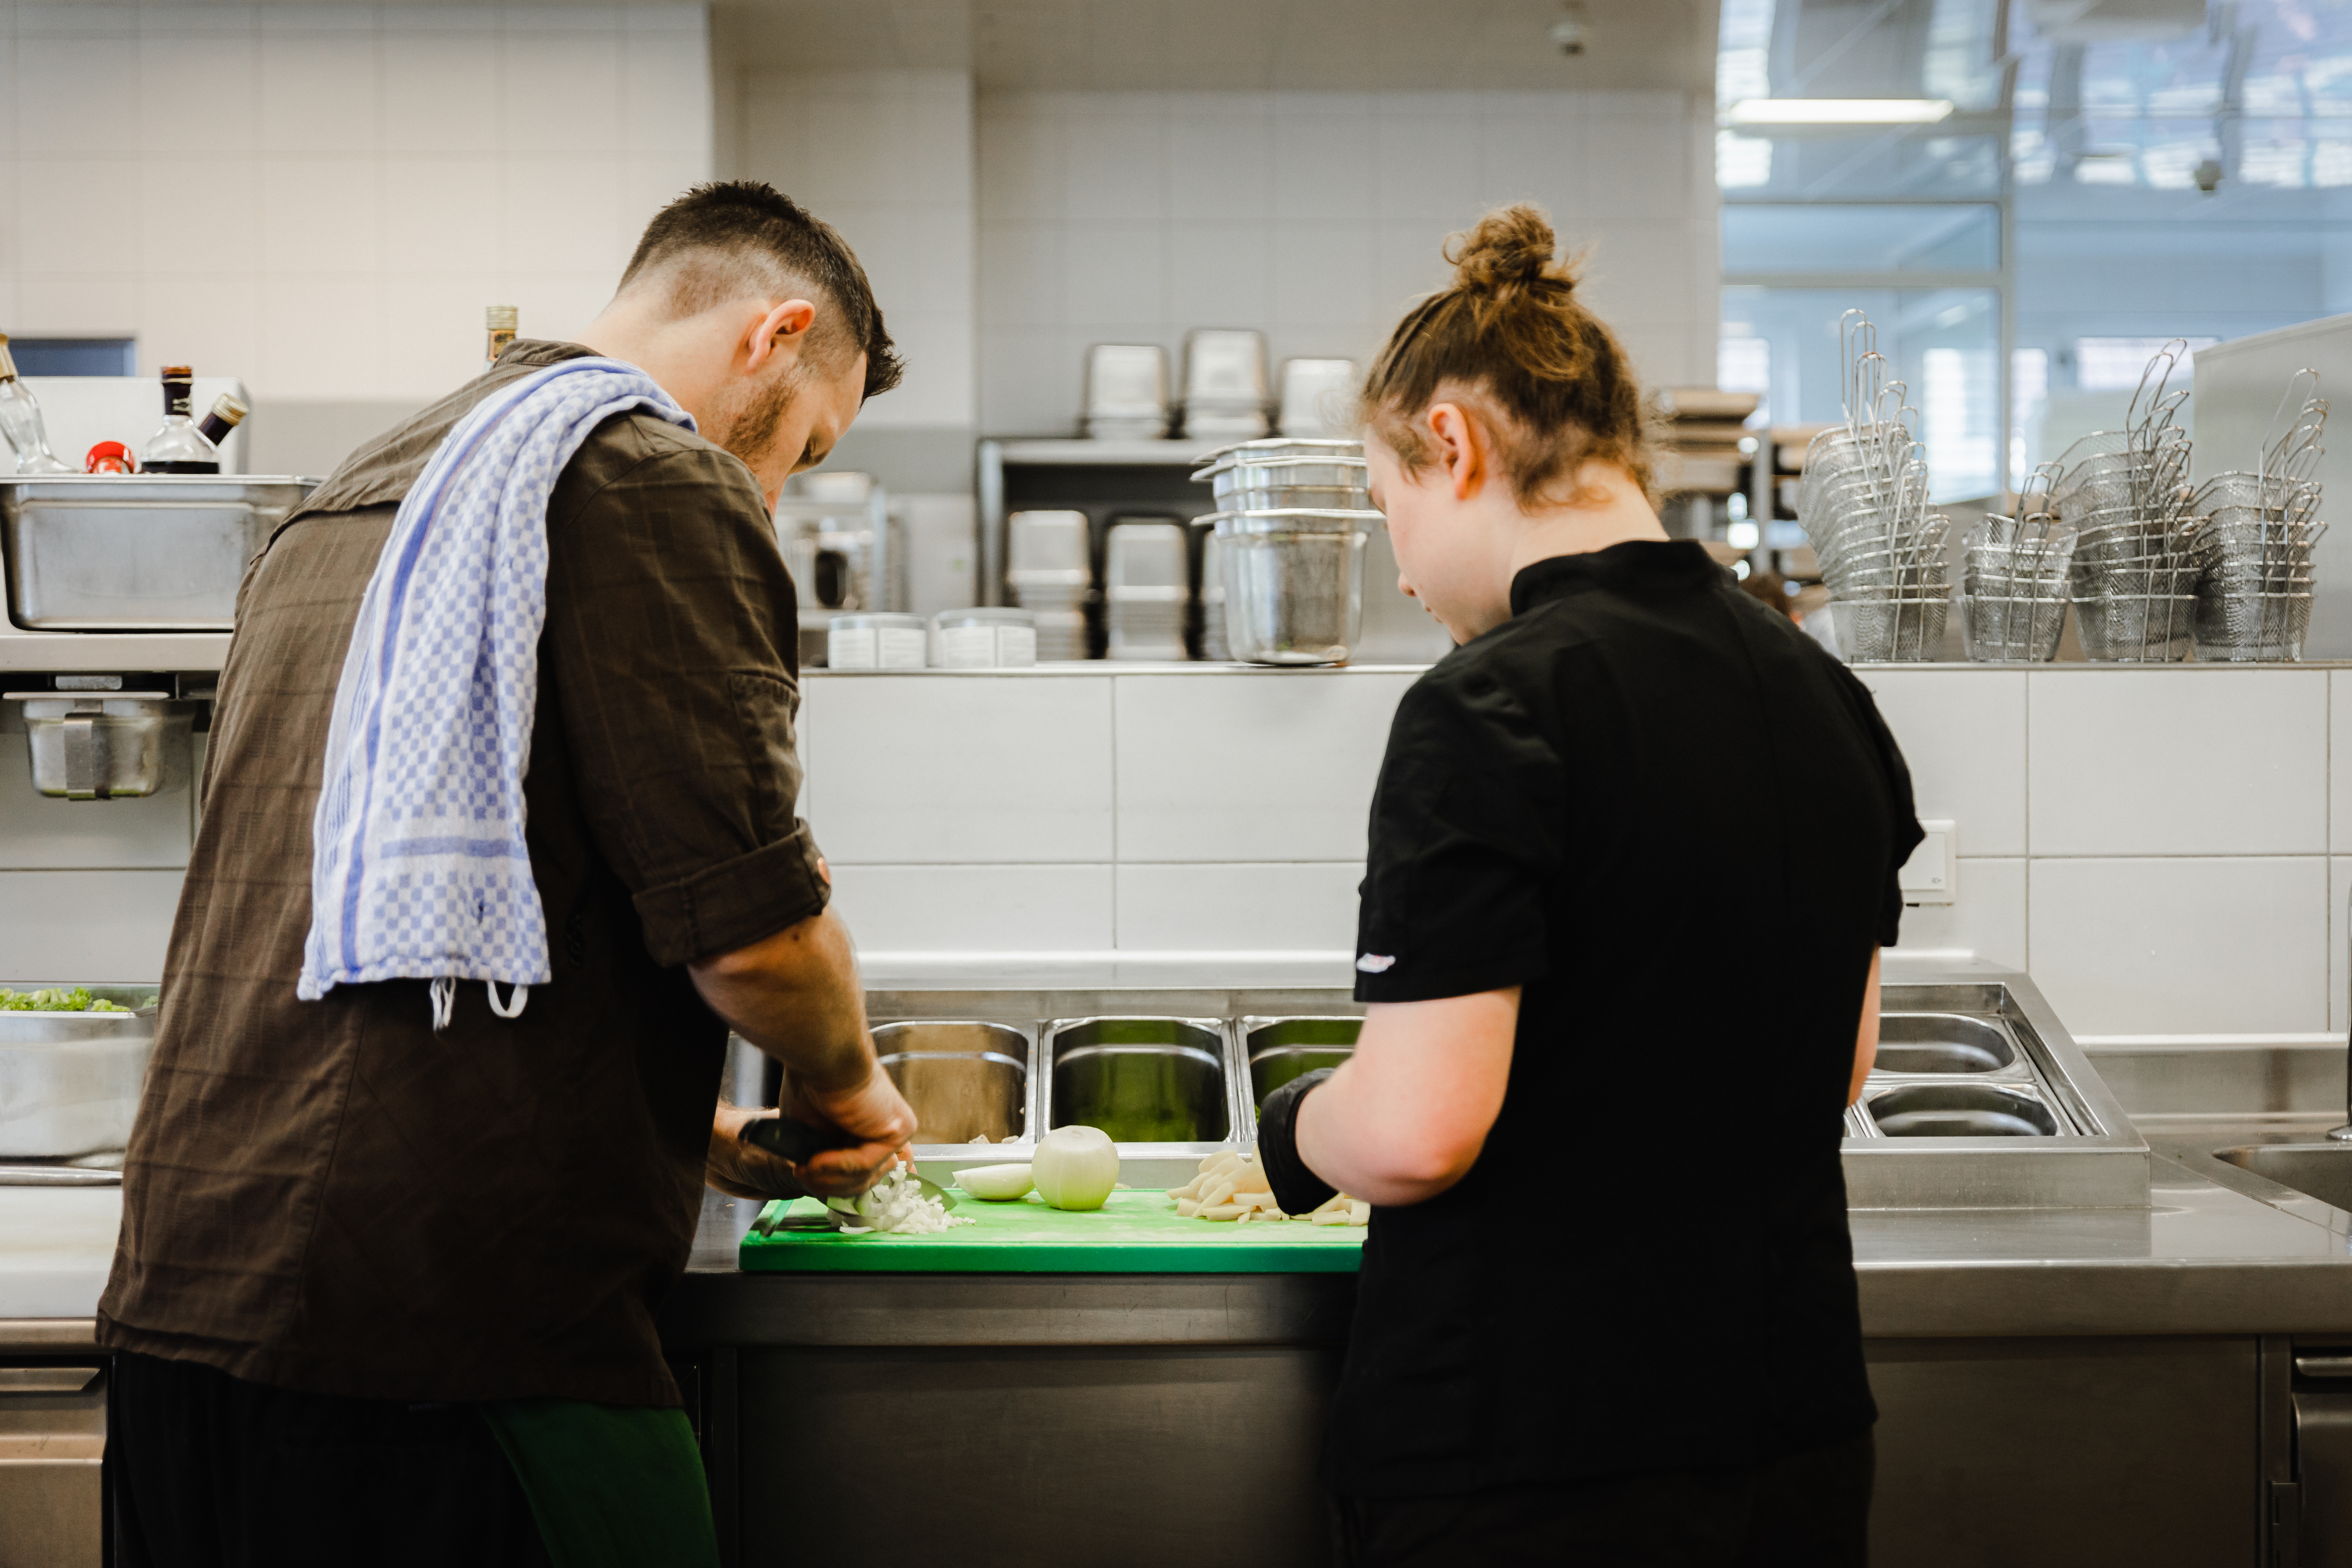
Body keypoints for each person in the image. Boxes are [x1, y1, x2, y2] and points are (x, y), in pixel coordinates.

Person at [96, 182, 917, 1567]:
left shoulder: (340, 504)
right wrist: (854, 1094)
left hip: (188, 1327)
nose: (780, 490)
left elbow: (377, 928)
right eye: (808, 448)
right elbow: (757, 939)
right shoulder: (656, 479)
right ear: (777, 335)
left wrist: (703, 1139)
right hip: (449, 1348)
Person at [1253, 206, 1924, 1567]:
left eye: (1391, 508)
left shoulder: (1488, 704)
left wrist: (1293, 1129)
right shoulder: (1827, 696)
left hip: (1531, 1462)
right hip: (1789, 1446)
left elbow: (1416, 1132)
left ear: (1454, 445)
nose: (1397, 566)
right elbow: (1840, 1065)